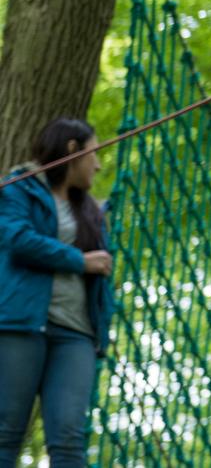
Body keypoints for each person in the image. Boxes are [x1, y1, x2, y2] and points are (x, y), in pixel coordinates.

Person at [0, 120, 114, 468]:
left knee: (68, 438)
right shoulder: (19, 188)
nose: (97, 164)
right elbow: (18, 240)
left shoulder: (90, 209)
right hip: (22, 324)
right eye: (93, 153)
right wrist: (79, 261)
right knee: (6, 433)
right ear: (72, 150)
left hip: (76, 333)